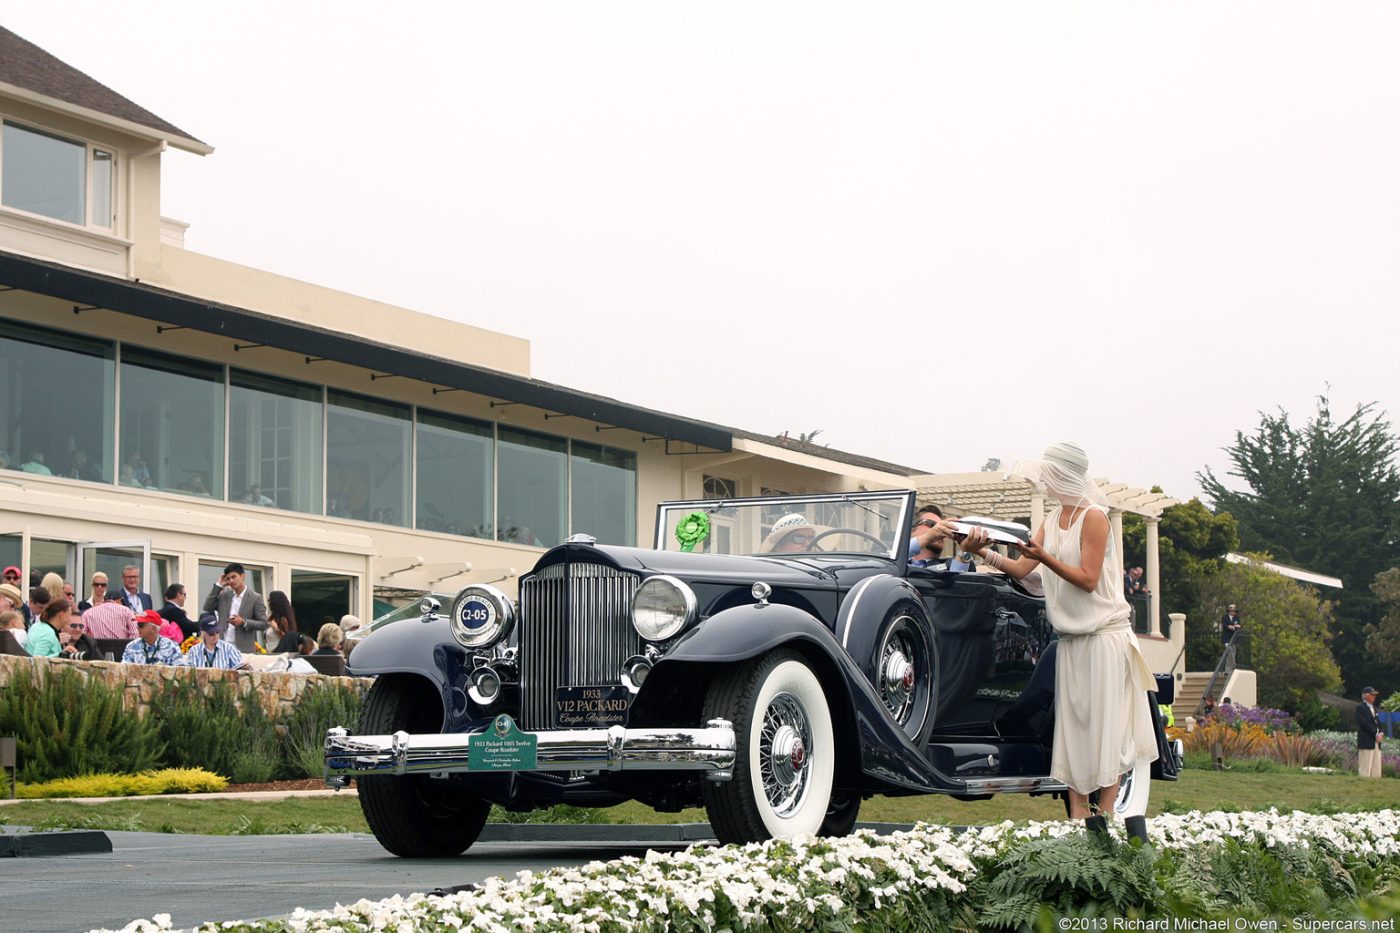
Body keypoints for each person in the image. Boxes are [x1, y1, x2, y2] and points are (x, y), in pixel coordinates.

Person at [964, 442, 1157, 828]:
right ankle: (1079, 819)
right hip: (1072, 642)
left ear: (1064, 475)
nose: (1043, 482)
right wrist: (980, 552)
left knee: (1105, 729)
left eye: (1048, 474)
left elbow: (1087, 580)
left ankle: (1106, 815)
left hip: (1105, 638)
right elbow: (1022, 570)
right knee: (1074, 729)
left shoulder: (1095, 517)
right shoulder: (1051, 520)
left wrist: (1046, 556)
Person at [203, 563, 268, 652]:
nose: (231, 581)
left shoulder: (255, 598)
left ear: (243, 576)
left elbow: (263, 623)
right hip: (222, 645)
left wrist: (243, 622)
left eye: (234, 577)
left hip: (243, 649)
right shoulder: (225, 596)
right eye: (228, 578)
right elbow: (207, 607)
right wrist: (219, 585)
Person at [908, 504, 973, 571]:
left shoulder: (950, 565)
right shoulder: (900, 561)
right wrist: (926, 538)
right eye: (932, 524)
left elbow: (956, 578)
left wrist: (967, 548)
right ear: (912, 530)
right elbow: (898, 552)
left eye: (943, 527)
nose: (938, 529)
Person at [183, 616, 248, 670]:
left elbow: (240, 667)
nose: (215, 636)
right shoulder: (194, 651)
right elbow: (190, 672)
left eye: (217, 632)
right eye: (211, 634)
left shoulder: (229, 648)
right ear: (203, 634)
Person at [1357, 686, 1383, 778]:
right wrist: (1375, 734)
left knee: (1376, 766)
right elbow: (1364, 724)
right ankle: (1363, 784)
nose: (1374, 697)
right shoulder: (1360, 708)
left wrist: (1381, 733)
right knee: (1365, 766)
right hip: (1366, 741)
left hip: (1376, 741)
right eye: (1372, 695)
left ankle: (1375, 785)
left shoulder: (1374, 708)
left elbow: (1378, 723)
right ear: (1366, 696)